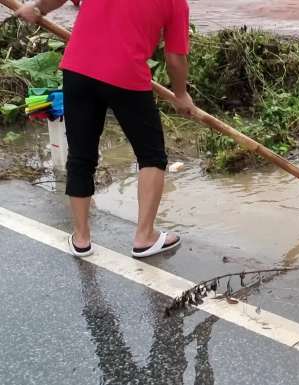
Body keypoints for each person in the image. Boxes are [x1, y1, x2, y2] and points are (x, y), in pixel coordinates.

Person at [16, 0, 195, 258]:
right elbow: (175, 57)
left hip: (78, 70)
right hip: (126, 75)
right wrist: (180, 94)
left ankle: (81, 239)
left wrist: (37, 8)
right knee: (151, 155)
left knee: (80, 155)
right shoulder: (175, 2)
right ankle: (144, 237)